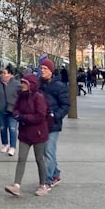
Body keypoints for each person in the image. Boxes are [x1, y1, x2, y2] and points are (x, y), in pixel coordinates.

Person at [4, 72, 51, 197]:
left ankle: (43, 185)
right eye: (22, 82)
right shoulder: (21, 96)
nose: (22, 85)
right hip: (25, 133)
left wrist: (24, 117)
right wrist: (16, 114)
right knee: (21, 158)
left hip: (38, 133)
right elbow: (15, 109)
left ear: (32, 85)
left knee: (39, 159)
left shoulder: (38, 97)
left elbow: (41, 116)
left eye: (25, 83)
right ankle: (16, 185)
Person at [38, 57, 69, 189]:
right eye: (41, 68)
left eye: (45, 69)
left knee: (48, 151)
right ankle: (55, 174)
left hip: (53, 124)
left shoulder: (59, 86)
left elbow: (66, 105)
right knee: (46, 151)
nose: (42, 71)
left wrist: (56, 116)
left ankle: (47, 180)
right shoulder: (38, 84)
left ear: (51, 71)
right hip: (41, 123)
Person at [0, 64, 21, 156]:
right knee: (2, 128)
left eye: (5, 73)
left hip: (13, 110)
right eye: (2, 73)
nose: (3, 75)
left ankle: (13, 147)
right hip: (1, 110)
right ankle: (5, 144)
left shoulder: (17, 85)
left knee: (13, 128)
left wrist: (18, 107)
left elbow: (21, 97)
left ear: (10, 75)